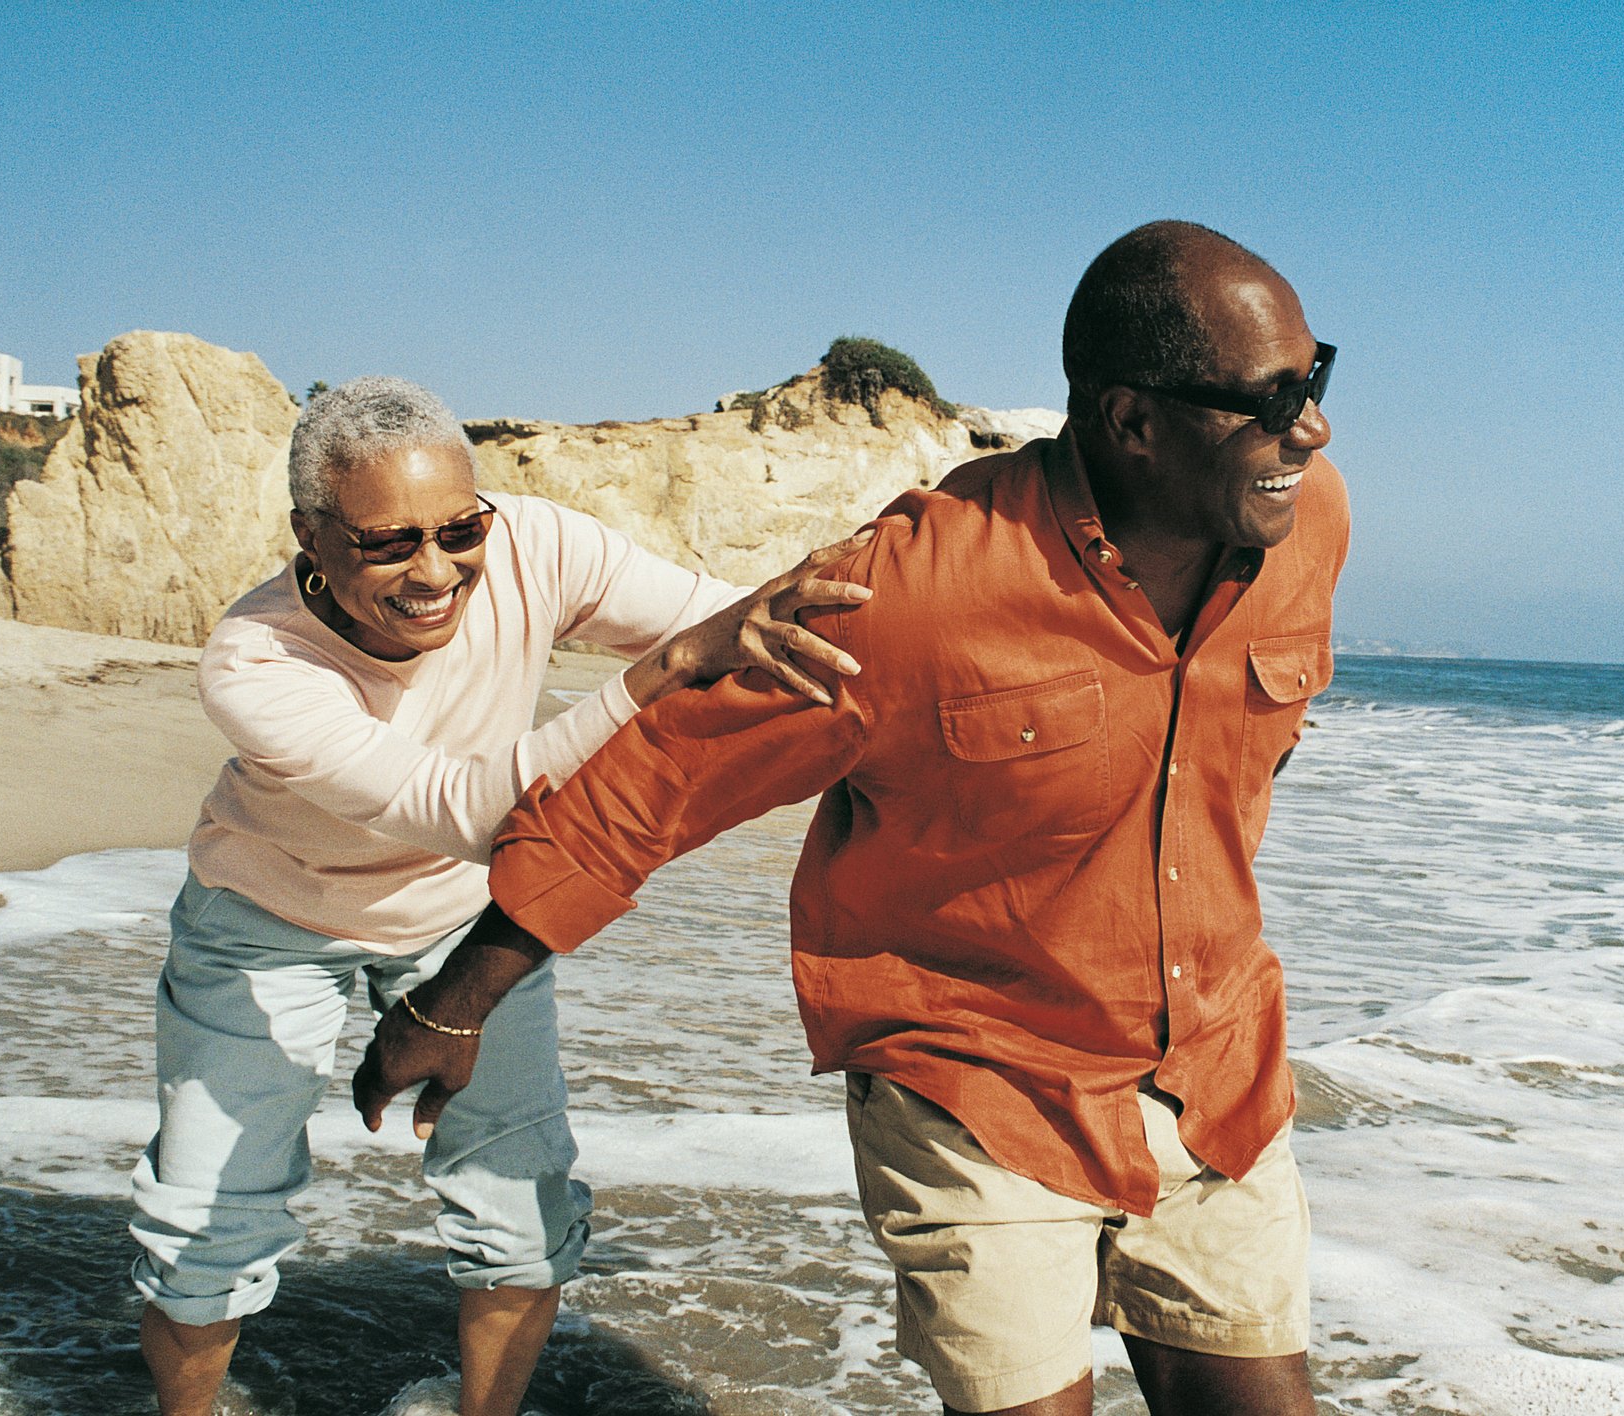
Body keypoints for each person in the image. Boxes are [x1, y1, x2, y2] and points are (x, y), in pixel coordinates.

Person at [354, 221, 1350, 1415]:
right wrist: (452, 1004)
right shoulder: (912, 591)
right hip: (980, 1089)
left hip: (1214, 1075)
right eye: (1272, 398)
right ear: (1132, 420)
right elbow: (655, 787)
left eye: (1317, 378)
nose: (1313, 427)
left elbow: (1243, 758)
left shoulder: (1304, 525)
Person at [129, 375, 871, 1416]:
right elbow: (461, 806)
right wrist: (662, 674)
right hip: (268, 926)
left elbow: (725, 626)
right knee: (208, 1218)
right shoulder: (253, 661)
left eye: (458, 529)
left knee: (520, 1209)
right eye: (390, 544)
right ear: (312, 536)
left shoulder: (537, 545)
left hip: (463, 920)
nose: (436, 572)